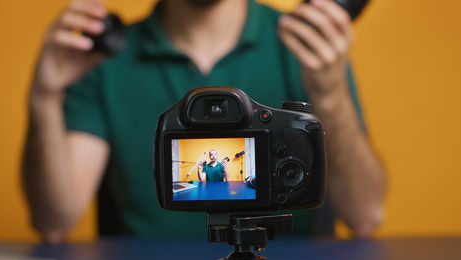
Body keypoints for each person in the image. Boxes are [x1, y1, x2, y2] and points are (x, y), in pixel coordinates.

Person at [23, 0, 386, 242]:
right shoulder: (101, 60)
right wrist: (45, 97)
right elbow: (54, 222)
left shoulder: (307, 46)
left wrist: (331, 94)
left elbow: (365, 214)